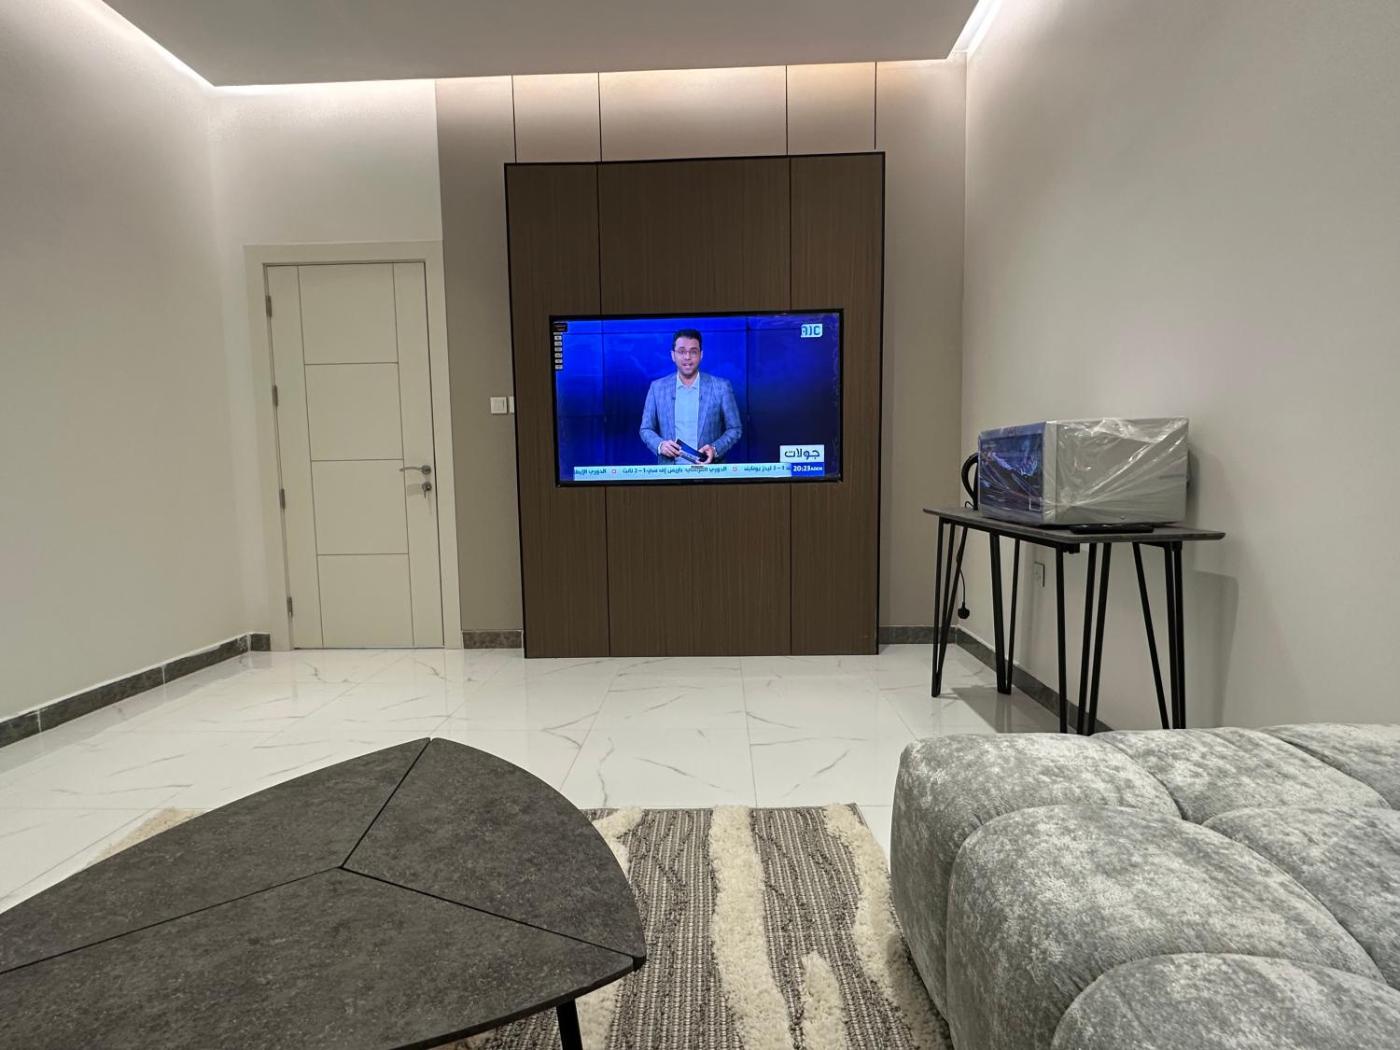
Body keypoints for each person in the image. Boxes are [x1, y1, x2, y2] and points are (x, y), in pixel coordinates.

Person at [638, 329, 743, 465]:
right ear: (673, 355)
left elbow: (735, 429)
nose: (687, 357)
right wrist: (660, 445)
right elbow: (646, 429)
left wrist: (715, 449)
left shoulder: (721, 387)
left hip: (708, 470)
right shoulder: (657, 388)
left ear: (701, 355)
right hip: (670, 472)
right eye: (681, 351)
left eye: (693, 352)